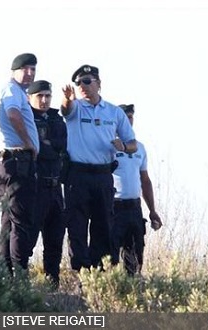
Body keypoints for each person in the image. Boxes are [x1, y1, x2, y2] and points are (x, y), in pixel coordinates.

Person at [60, 64, 137, 272]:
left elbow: (133, 144)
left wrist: (123, 146)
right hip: (77, 175)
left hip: (103, 175)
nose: (82, 86)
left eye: (86, 81)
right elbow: (66, 109)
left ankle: (99, 272)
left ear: (98, 84)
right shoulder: (76, 107)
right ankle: (80, 273)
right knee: (76, 226)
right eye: (78, 83)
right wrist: (68, 98)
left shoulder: (114, 112)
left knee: (103, 225)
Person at [0, 53, 39, 276]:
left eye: (33, 69)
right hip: (17, 160)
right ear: (14, 71)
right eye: (25, 69)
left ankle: (5, 274)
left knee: (9, 221)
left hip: (11, 160)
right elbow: (12, 115)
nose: (29, 73)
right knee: (20, 222)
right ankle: (19, 277)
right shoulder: (12, 90)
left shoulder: (19, 92)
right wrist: (28, 143)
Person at [110, 104, 162, 275]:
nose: (129, 120)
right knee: (110, 256)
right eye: (125, 117)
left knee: (135, 254)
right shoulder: (109, 144)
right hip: (113, 206)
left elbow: (145, 180)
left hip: (134, 207)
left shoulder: (140, 147)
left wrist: (152, 210)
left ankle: (132, 291)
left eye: (131, 117)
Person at [26, 80, 67, 288]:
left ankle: (53, 285)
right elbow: (40, 150)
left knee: (55, 241)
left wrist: (49, 146)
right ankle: (21, 285)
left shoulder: (55, 119)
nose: (44, 100)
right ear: (29, 98)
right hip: (36, 188)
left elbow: (61, 146)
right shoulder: (27, 118)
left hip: (56, 188)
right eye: (39, 96)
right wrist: (48, 147)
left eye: (47, 96)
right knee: (28, 239)